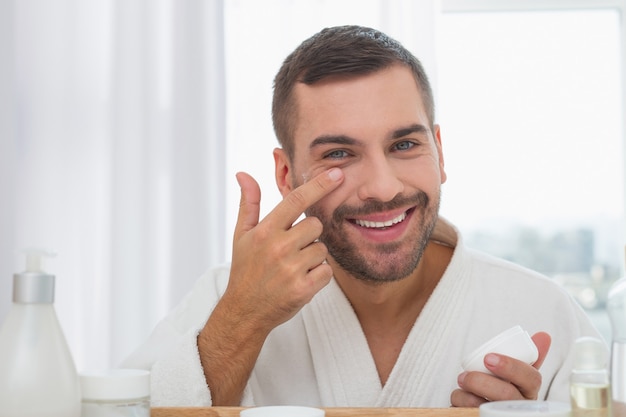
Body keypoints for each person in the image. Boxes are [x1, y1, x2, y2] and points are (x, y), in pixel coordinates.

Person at [122, 25, 604, 408]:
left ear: (439, 150)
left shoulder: (543, 313)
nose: (384, 187)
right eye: (339, 154)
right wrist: (241, 324)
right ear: (287, 175)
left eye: (405, 144)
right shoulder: (225, 302)